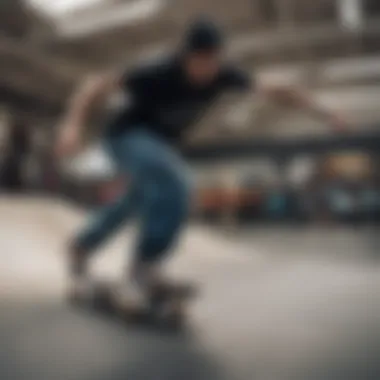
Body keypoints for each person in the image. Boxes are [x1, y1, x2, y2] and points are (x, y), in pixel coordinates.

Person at [55, 18, 345, 306]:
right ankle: (143, 268)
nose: (206, 70)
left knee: (134, 201)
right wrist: (71, 126)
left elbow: (280, 91)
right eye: (200, 61)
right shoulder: (157, 70)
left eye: (213, 61)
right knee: (176, 184)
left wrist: (325, 112)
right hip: (125, 136)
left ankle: (80, 247)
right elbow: (94, 85)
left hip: (158, 144)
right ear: (185, 56)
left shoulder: (225, 75)